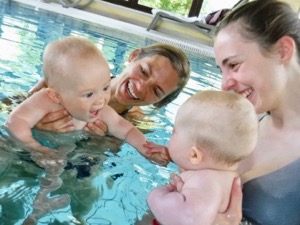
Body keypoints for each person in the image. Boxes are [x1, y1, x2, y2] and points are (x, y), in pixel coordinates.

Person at [5, 36, 169, 165]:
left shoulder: (104, 111)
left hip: (64, 157)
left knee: (86, 194)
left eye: (105, 88)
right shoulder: (45, 100)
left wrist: (145, 148)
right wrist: (35, 148)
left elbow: (127, 130)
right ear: (56, 95)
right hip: (25, 149)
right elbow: (14, 121)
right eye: (89, 94)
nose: (101, 100)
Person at [213, 0, 300, 224]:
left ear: (283, 51)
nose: (225, 84)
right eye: (221, 70)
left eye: (233, 65)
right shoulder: (242, 123)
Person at [28, 41, 191, 135]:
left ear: (159, 103)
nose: (141, 87)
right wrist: (33, 118)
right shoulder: (75, 74)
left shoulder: (134, 127)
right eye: (143, 71)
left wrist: (96, 143)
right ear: (133, 56)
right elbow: (10, 110)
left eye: (156, 91)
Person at [146, 90, 258, 225]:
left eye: (174, 132)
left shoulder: (205, 181)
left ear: (194, 155)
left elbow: (189, 219)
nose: (171, 136)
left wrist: (157, 195)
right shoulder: (226, 176)